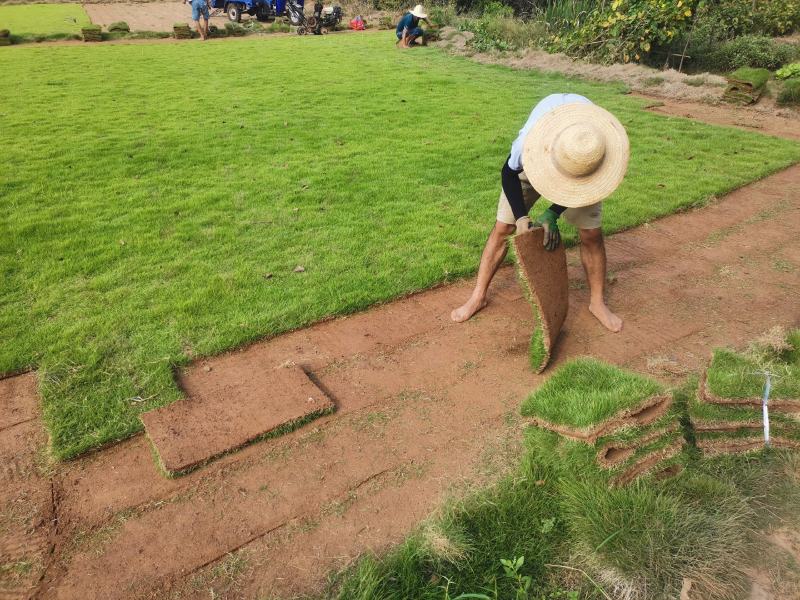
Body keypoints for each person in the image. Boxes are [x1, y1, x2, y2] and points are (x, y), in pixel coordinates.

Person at [450, 93, 630, 333]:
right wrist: (522, 217)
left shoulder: (596, 146)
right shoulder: (528, 144)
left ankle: (597, 303)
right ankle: (478, 296)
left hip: (584, 172)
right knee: (503, 228)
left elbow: (583, 190)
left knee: (591, 235)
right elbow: (508, 173)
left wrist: (552, 213)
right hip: (539, 158)